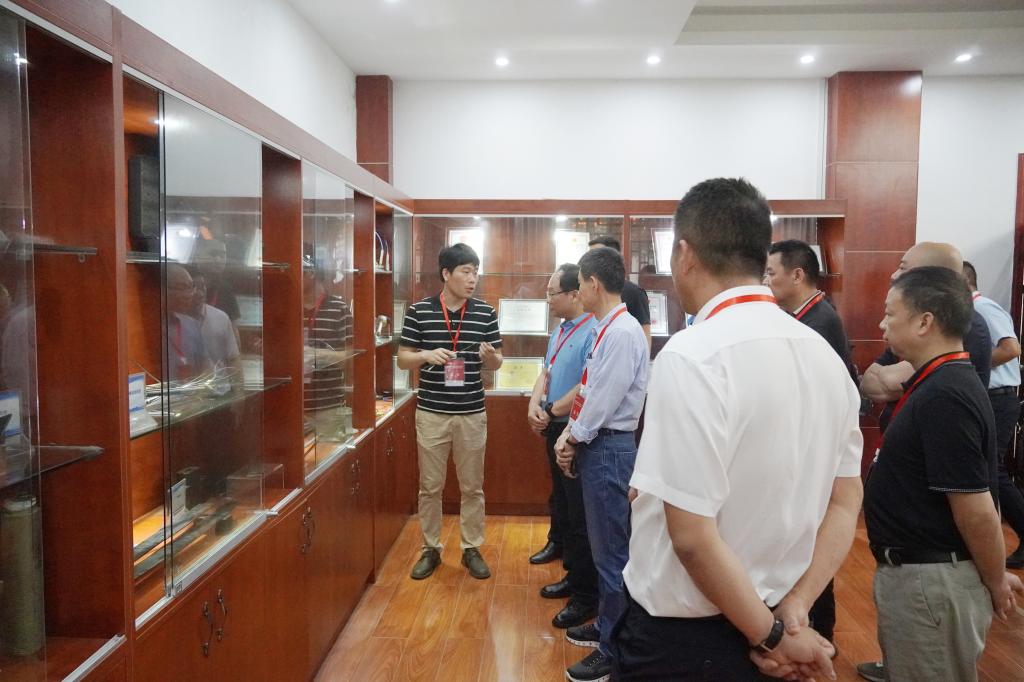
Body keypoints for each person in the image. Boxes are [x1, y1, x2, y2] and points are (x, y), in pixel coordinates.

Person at [615, 178, 861, 681]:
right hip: (781, 614)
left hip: (690, 641)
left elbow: (691, 538)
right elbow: (845, 501)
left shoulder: (692, 354)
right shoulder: (824, 356)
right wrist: (794, 611)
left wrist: (771, 636)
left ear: (684, 254)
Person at [863, 266, 1024, 682]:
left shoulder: (946, 394)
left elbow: (977, 510)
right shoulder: (939, 381)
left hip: (930, 583)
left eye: (890, 314)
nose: (882, 324)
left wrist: (994, 579)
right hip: (925, 577)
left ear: (925, 322)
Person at [553, 246, 648, 682]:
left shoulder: (623, 332)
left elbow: (603, 401)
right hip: (599, 445)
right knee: (603, 548)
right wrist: (572, 436)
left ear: (593, 284)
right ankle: (608, 626)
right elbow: (589, 392)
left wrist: (571, 437)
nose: (577, 292)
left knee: (613, 556)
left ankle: (615, 649)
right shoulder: (606, 327)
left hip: (609, 448)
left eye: (579, 285)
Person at [397, 243, 502, 580]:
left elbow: (497, 361)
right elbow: (403, 359)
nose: (473, 279)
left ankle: (471, 548)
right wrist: (426, 355)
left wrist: (490, 358)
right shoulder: (419, 311)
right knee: (430, 486)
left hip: (472, 412)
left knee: (473, 487)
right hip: (432, 412)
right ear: (446, 274)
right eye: (466, 271)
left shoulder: (485, 313)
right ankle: (431, 548)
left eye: (476, 272)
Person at [526, 263, 599, 629]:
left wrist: (552, 408)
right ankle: (573, 575)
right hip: (552, 424)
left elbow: (587, 385)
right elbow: (547, 371)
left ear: (574, 294)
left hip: (573, 430)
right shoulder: (560, 330)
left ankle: (586, 594)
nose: (548, 300)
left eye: (552, 293)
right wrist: (533, 404)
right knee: (565, 506)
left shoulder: (593, 331)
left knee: (581, 514)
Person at [861, 242, 991, 434]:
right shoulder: (909, 325)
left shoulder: (960, 324)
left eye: (903, 268)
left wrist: (891, 375)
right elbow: (869, 382)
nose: (894, 275)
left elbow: (893, 382)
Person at [964, 260, 1024, 569]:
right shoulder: (971, 311)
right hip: (990, 397)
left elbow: (1012, 348)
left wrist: (970, 364)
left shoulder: (983, 308)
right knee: (988, 470)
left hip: (998, 398)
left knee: (994, 471)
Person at [765, 239, 857, 382]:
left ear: (797, 276)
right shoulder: (811, 311)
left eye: (771, 274)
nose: (766, 282)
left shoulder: (820, 323)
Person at [587, 236, 651, 349]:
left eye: (596, 256)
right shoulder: (590, 290)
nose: (588, 261)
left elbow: (645, 335)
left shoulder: (634, 293)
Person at [189, 270, 240, 371]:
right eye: (193, 288)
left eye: (202, 287)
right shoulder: (172, 321)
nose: (200, 293)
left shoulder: (221, 318)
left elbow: (234, 359)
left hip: (219, 380)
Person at [166, 264, 208, 381]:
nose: (190, 294)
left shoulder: (192, 325)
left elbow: (205, 369)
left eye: (191, 287)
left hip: (190, 391)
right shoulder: (144, 326)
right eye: (182, 287)